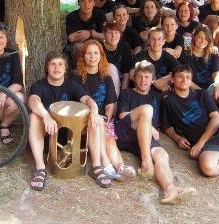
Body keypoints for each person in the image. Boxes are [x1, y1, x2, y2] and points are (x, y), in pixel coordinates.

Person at [28, 51, 112, 190]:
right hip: (49, 134)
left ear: (65, 68)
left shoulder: (71, 85)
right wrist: (46, 116)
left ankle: (96, 167)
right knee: (34, 117)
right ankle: (40, 169)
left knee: (94, 117)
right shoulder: (39, 85)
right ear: (47, 67)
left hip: (71, 136)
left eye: (60, 64)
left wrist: (94, 110)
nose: (57, 68)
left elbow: (87, 100)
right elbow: (33, 101)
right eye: (53, 64)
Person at [116, 61, 195, 204]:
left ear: (153, 79)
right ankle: (146, 165)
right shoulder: (126, 93)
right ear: (134, 78)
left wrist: (177, 137)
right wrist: (149, 125)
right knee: (147, 109)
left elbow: (166, 122)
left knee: (162, 154)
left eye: (147, 77)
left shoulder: (157, 97)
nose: (143, 80)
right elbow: (122, 115)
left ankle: (170, 189)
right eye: (140, 76)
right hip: (124, 132)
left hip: (143, 138)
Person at [162, 65, 219, 183]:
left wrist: (200, 144)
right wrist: (177, 138)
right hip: (210, 146)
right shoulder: (168, 101)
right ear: (172, 79)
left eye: (188, 77)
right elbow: (166, 126)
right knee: (208, 168)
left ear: (191, 80)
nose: (184, 80)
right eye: (180, 76)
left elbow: (216, 119)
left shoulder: (202, 94)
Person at [75, 40, 136, 181]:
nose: (92, 56)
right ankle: (106, 165)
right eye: (88, 53)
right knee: (99, 123)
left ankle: (120, 167)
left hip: (102, 120)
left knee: (109, 138)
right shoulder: (76, 78)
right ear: (83, 56)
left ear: (101, 56)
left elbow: (110, 105)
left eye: (96, 53)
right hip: (83, 122)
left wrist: (107, 119)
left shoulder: (106, 79)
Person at [179, 25, 219, 112]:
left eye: (206, 38)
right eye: (200, 37)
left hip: (210, 90)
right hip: (193, 90)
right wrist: (203, 93)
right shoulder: (186, 55)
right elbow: (186, 78)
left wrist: (217, 83)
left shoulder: (212, 53)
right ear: (194, 37)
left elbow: (216, 73)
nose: (203, 41)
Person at [65, 0, 106, 65]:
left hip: (95, 45)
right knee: (78, 46)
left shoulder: (100, 14)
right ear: (78, 3)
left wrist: (90, 33)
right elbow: (71, 38)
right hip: (76, 47)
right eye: (83, 1)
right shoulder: (71, 16)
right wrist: (96, 36)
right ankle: (79, 70)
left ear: (94, 3)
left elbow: (105, 35)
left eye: (90, 1)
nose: (86, 5)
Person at [133, 27, 180, 92]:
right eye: (153, 39)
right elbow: (132, 75)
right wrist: (155, 83)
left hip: (162, 93)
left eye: (159, 39)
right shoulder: (139, 57)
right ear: (148, 41)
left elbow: (181, 71)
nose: (156, 42)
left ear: (164, 41)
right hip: (143, 92)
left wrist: (166, 78)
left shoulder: (167, 57)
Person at [102, 21, 133, 93]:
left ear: (120, 34)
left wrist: (123, 93)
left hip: (120, 82)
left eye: (116, 32)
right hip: (102, 80)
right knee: (110, 67)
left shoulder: (125, 46)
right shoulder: (99, 47)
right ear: (104, 35)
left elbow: (126, 73)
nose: (113, 36)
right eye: (110, 33)